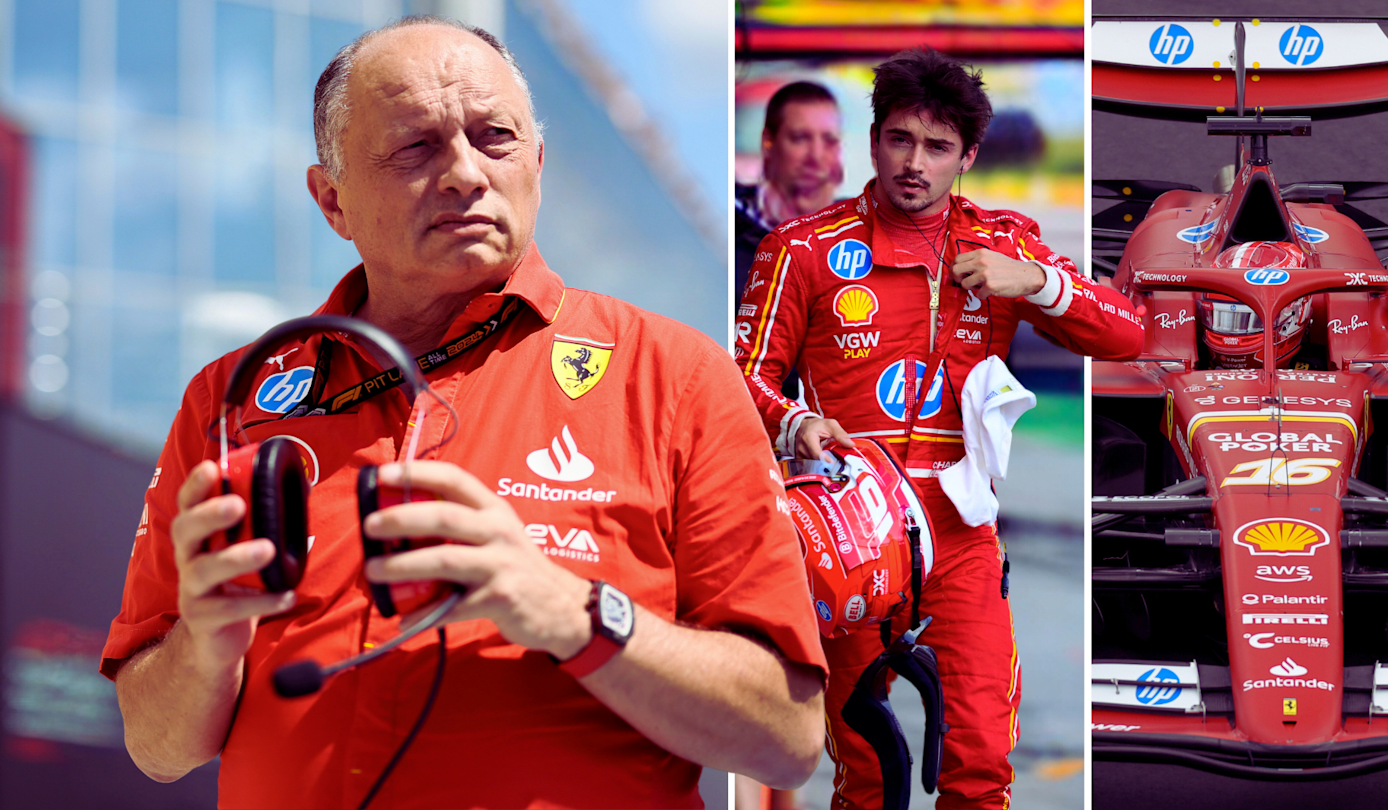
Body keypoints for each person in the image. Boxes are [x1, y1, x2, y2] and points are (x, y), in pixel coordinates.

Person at [102, 17, 826, 809]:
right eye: (416, 147)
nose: (464, 175)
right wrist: (207, 647)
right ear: (332, 200)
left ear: (539, 166)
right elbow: (155, 747)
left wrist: (567, 610)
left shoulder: (676, 377)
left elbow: (785, 738)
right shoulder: (229, 400)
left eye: (495, 137)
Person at [734, 47, 1144, 809]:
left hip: (961, 536)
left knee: (982, 763)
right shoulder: (802, 249)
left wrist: (1041, 283)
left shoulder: (1005, 243)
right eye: (898, 139)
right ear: (873, 139)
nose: (913, 164)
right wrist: (796, 424)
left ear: (969, 156)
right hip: (848, 541)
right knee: (865, 775)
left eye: (936, 147)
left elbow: (1130, 336)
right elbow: (740, 382)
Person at [735, 80, 844, 310]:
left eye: (829, 141)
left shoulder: (863, 235)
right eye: (800, 138)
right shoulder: (733, 229)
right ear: (768, 143)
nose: (816, 156)